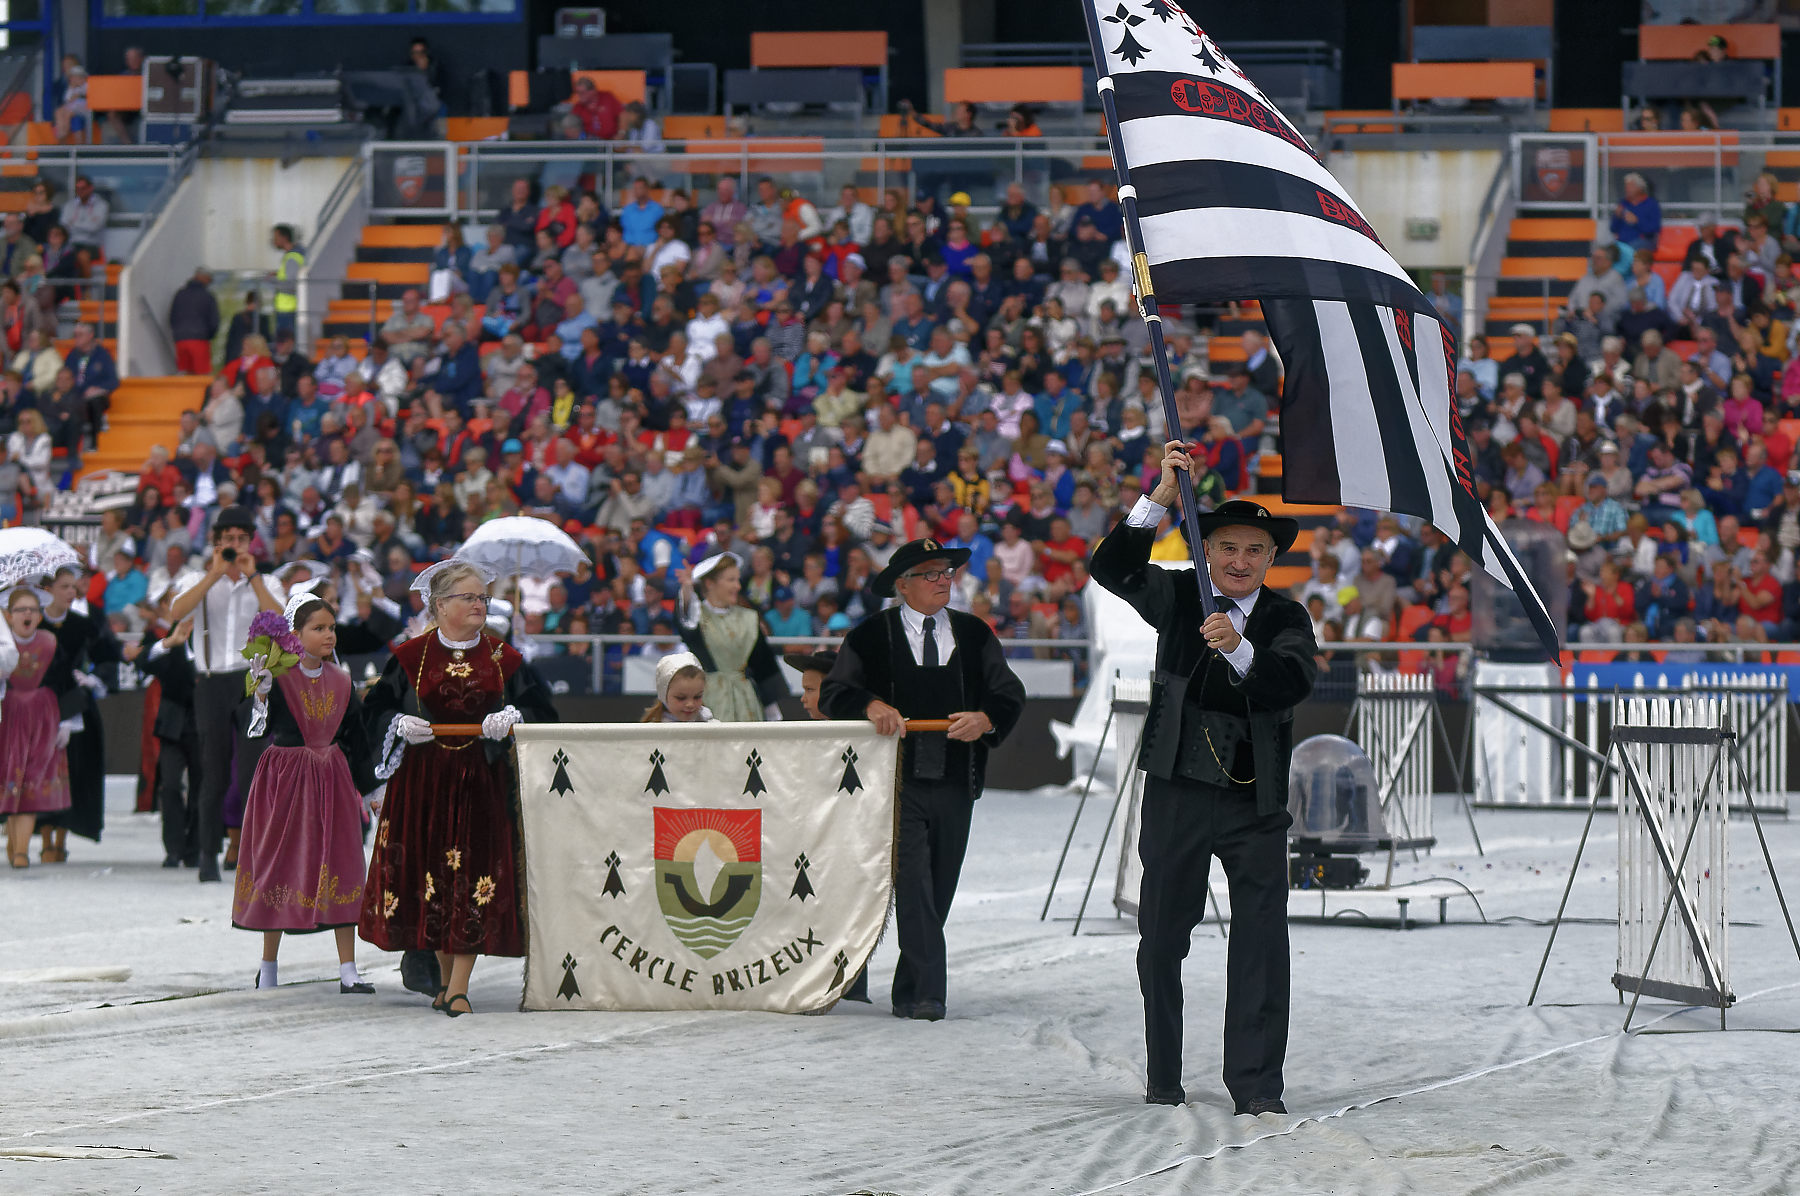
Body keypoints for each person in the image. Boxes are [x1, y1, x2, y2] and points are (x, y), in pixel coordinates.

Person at [1089, 441, 1319, 1114]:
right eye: (1227, 549)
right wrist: (1159, 498)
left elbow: (1292, 680)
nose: (1240, 562)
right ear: (1207, 550)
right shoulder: (1177, 593)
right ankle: (1164, 1072)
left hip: (1255, 805)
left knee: (1260, 945)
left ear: (1271, 560)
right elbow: (1112, 568)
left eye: (1254, 551)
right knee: (1160, 938)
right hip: (1177, 793)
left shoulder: (1287, 618)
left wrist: (1240, 647)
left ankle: (1255, 1087)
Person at [820, 537, 1027, 1020]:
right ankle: (931, 992)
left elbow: (1009, 694)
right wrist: (869, 704)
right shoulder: (870, 636)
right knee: (912, 883)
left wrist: (986, 719)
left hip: (958, 778)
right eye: (931, 574)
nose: (942, 582)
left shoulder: (975, 635)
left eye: (946, 573)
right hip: (896, 783)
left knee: (940, 885)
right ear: (902, 585)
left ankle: (910, 987)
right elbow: (835, 693)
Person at [358, 559, 558, 1017]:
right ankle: (447, 982)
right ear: (439, 604)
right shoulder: (411, 655)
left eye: (483, 597)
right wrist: (398, 723)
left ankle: (461, 987)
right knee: (433, 880)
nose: (479, 604)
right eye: (468, 597)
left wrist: (513, 717)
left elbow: (544, 710)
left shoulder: (505, 658)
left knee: (471, 877)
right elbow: (374, 710)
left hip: (481, 781)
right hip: (424, 781)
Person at [236, 593, 380, 993]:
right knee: (279, 864)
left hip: (332, 779)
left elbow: (356, 739)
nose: (328, 635)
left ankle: (348, 969)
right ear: (296, 635)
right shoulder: (276, 676)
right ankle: (268, 967)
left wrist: (371, 788)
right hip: (286, 780)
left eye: (331, 627)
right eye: (318, 628)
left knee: (343, 862)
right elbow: (256, 729)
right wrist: (261, 694)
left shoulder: (342, 680)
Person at [169, 507, 286, 883]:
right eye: (228, 540)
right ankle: (207, 853)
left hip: (254, 681)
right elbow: (177, 610)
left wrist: (251, 577)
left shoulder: (267, 582)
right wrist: (215, 573)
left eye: (241, 539)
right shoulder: (196, 578)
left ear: (251, 542)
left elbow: (282, 624)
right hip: (211, 681)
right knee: (212, 770)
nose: (235, 546)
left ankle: (251, 855)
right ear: (217, 542)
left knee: (253, 772)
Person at [38, 564, 121, 858]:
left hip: (76, 706)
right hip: (39, 707)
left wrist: (93, 679)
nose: (72, 592)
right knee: (41, 771)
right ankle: (43, 836)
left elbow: (111, 657)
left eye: (74, 587)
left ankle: (61, 839)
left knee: (74, 770)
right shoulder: (31, 623)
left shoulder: (86, 623)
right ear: (47, 591)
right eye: (65, 587)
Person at [1, 586, 75, 869]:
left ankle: (21, 850)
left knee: (33, 776)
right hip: (7, 714)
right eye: (21, 610)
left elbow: (65, 682)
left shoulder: (50, 643)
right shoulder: (2, 644)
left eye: (33, 609)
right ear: (9, 616)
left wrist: (67, 721)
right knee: (12, 776)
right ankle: (15, 841)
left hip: (42, 718)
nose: (28, 614)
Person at [675, 552, 785, 722]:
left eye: (737, 580)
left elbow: (763, 666)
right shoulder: (698, 618)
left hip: (746, 702)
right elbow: (687, 620)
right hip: (707, 702)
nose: (738, 586)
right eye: (731, 580)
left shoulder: (748, 618)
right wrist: (688, 588)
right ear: (710, 583)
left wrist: (772, 711)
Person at [139, 613, 201, 868]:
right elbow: (145, 662)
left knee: (202, 787)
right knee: (171, 786)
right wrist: (169, 642)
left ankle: (195, 847)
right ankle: (173, 848)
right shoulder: (171, 646)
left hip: (204, 723)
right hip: (172, 724)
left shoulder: (214, 645)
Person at [640, 650, 714, 722]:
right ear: (664, 695)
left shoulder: (711, 725)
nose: (690, 704)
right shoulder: (651, 730)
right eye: (681, 698)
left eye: (697, 697)